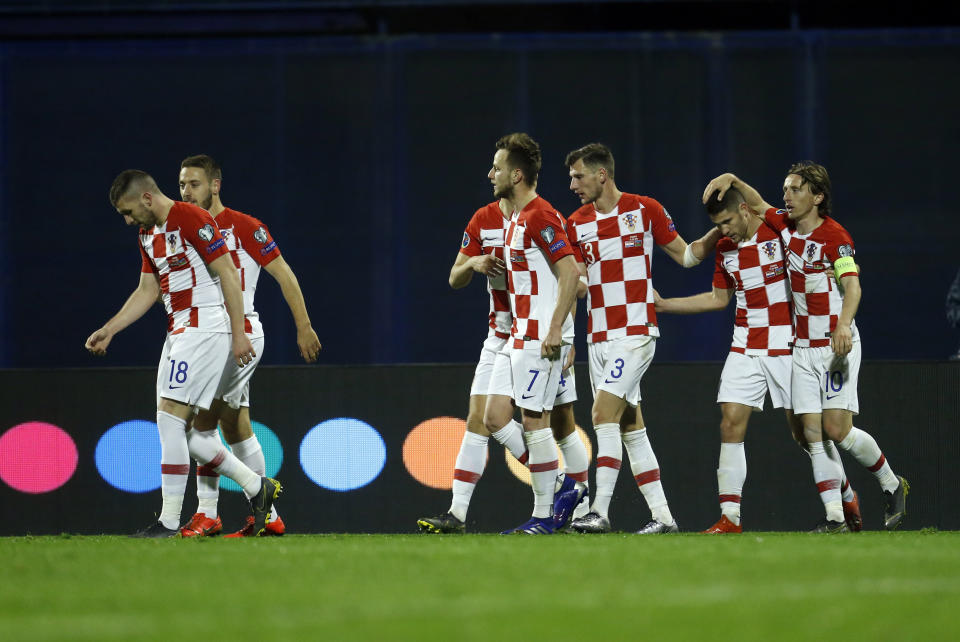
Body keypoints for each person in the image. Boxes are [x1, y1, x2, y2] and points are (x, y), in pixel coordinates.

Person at [703, 163, 908, 531]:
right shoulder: (783, 226)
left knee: (837, 431)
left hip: (835, 346)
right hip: (799, 348)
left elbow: (853, 286)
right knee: (811, 433)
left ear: (817, 197)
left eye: (795, 189)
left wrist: (843, 324)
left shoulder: (835, 236)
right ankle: (835, 517)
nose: (787, 196)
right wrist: (732, 180)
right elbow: (758, 203)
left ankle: (892, 483)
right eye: (785, 189)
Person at [85, 169, 281, 537]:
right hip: (178, 331)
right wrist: (110, 329)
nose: (128, 221)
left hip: (206, 327)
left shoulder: (191, 217)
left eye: (129, 212)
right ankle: (257, 487)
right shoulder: (148, 233)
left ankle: (169, 521)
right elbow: (147, 289)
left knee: (173, 423)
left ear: (146, 198)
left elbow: (227, 272)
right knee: (182, 431)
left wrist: (240, 334)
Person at [655, 186, 862, 533]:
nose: (723, 230)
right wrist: (665, 305)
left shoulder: (780, 232)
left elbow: (818, 247)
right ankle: (730, 518)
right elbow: (719, 299)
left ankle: (844, 498)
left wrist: (833, 278)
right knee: (730, 420)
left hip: (788, 343)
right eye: (717, 224)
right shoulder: (724, 248)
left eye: (727, 221)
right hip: (745, 344)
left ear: (746, 211)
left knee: (807, 434)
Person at [563, 143, 720, 535]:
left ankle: (599, 511)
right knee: (631, 426)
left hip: (635, 334)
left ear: (602, 174)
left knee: (601, 415)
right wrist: (568, 329)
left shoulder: (644, 209)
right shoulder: (575, 222)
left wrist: (721, 231)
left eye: (578, 176)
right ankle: (664, 517)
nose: (573, 185)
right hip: (597, 337)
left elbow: (685, 256)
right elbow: (577, 280)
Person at [416, 194, 588, 534]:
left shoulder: (543, 216)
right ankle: (459, 513)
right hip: (501, 337)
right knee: (484, 419)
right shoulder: (483, 219)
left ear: (516, 174)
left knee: (562, 422)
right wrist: (473, 264)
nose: (492, 175)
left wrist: (567, 334)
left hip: (541, 336)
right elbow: (454, 277)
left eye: (498, 168)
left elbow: (569, 279)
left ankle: (578, 511)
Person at [176, 155, 321, 538]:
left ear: (215, 186)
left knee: (197, 430)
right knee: (235, 426)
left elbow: (284, 275)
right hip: (210, 338)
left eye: (194, 184)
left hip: (237, 338)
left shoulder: (244, 228)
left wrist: (303, 326)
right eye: (182, 185)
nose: (186, 193)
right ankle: (268, 518)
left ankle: (209, 514)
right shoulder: (186, 230)